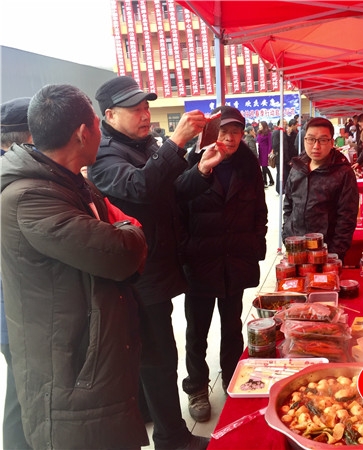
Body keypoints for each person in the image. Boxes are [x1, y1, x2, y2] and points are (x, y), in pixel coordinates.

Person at [1, 84, 149, 449]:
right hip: (69, 358)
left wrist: (119, 227)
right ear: (84, 133)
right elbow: (122, 253)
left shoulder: (69, 181)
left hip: (91, 344)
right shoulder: (31, 197)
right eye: (97, 125)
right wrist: (130, 229)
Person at [88, 76, 209, 450]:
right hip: (138, 273)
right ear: (110, 115)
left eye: (146, 108)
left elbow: (171, 193)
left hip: (157, 266)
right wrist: (177, 142)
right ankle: (172, 438)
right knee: (159, 356)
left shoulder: (145, 146)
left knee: (152, 352)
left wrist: (201, 170)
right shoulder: (105, 155)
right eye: (136, 110)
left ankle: (147, 412)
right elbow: (140, 187)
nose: (145, 115)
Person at [176, 105, 267, 423]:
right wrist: (185, 251)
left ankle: (232, 378)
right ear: (213, 132)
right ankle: (197, 387)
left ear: (243, 134)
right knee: (196, 332)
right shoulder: (193, 162)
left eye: (236, 132)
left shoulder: (249, 165)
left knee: (232, 327)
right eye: (224, 131)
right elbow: (178, 208)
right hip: (201, 262)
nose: (230, 138)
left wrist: (255, 245)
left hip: (235, 260)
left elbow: (259, 210)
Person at [0, 97, 32, 450]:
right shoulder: (14, 180)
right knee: (24, 397)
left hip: (14, 311)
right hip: (16, 311)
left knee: (20, 392)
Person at [282, 117, 359, 261]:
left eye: (323, 140)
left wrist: (335, 254)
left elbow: (347, 218)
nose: (316, 146)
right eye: (311, 139)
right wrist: (287, 233)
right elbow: (288, 206)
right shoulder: (297, 167)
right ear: (304, 140)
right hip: (296, 249)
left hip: (326, 253)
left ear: (332, 142)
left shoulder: (343, 172)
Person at [256, 120, 274, 186]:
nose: (259, 126)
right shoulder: (259, 132)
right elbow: (257, 141)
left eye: (260, 125)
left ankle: (270, 180)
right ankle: (265, 181)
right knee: (263, 167)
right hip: (260, 151)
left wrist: (269, 152)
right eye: (259, 125)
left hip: (265, 151)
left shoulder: (268, 133)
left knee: (264, 166)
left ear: (264, 125)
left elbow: (270, 143)